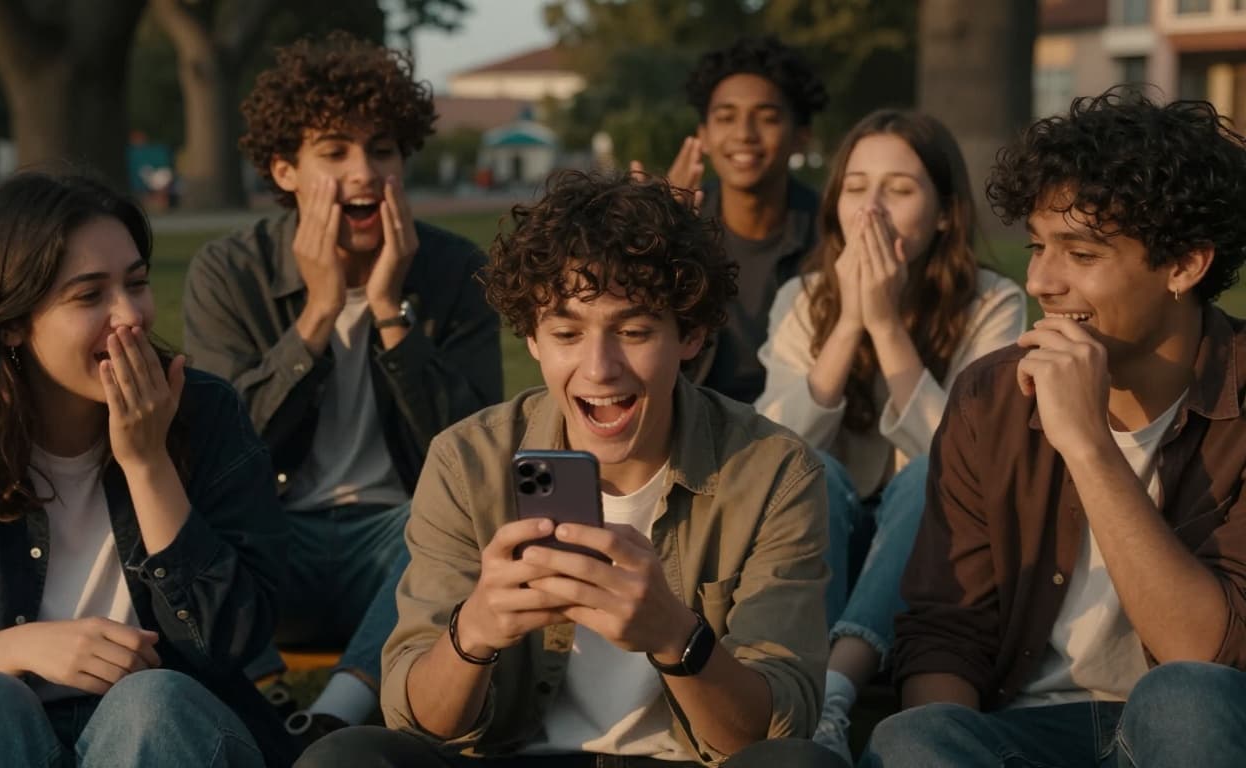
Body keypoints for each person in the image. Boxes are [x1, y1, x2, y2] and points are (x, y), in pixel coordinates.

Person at [293, 170, 844, 768]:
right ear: (532, 337)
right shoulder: (468, 461)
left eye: (633, 331)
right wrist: (473, 632)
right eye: (566, 333)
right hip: (515, 755)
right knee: (345, 757)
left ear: (692, 334)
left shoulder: (772, 471)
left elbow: (770, 732)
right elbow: (419, 720)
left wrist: (676, 637)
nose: (599, 368)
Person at [864, 90, 1246, 767]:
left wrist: (1088, 446)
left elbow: (1213, 656)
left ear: (1186, 265)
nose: (1041, 280)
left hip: (1193, 731)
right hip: (1026, 738)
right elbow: (945, 635)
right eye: (1038, 246)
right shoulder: (991, 395)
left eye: (1082, 253)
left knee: (1183, 700)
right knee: (911, 738)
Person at [0, 171, 295, 767]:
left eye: (136, 283)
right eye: (89, 296)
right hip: (1, 731)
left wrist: (147, 462)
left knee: (151, 701)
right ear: (11, 321)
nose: (129, 316)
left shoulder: (206, 415)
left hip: (170, 735)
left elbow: (231, 640)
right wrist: (19, 647)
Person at [183, 31, 503, 738]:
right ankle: (269, 703)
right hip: (273, 538)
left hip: (399, 544)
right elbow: (220, 447)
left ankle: (332, 721)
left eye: (382, 149)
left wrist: (392, 315)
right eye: (334, 151)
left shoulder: (452, 272)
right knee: (173, 512)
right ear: (285, 169)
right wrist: (319, 314)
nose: (366, 172)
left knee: (465, 527)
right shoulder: (228, 273)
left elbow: (477, 455)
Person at [753, 109, 1025, 764]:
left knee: (925, 477)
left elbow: (977, 465)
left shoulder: (995, 304)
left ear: (942, 214)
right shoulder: (802, 295)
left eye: (899, 189)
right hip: (830, 520)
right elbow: (771, 457)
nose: (870, 210)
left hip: (939, 535)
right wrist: (849, 324)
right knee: (813, 468)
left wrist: (888, 328)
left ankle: (833, 688)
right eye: (855, 187)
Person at [641, 36, 827, 404]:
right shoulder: (673, 221)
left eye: (767, 117)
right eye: (726, 117)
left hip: (805, 428)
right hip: (692, 425)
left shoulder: (833, 233)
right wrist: (654, 237)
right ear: (704, 136)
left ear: (800, 137)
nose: (744, 134)